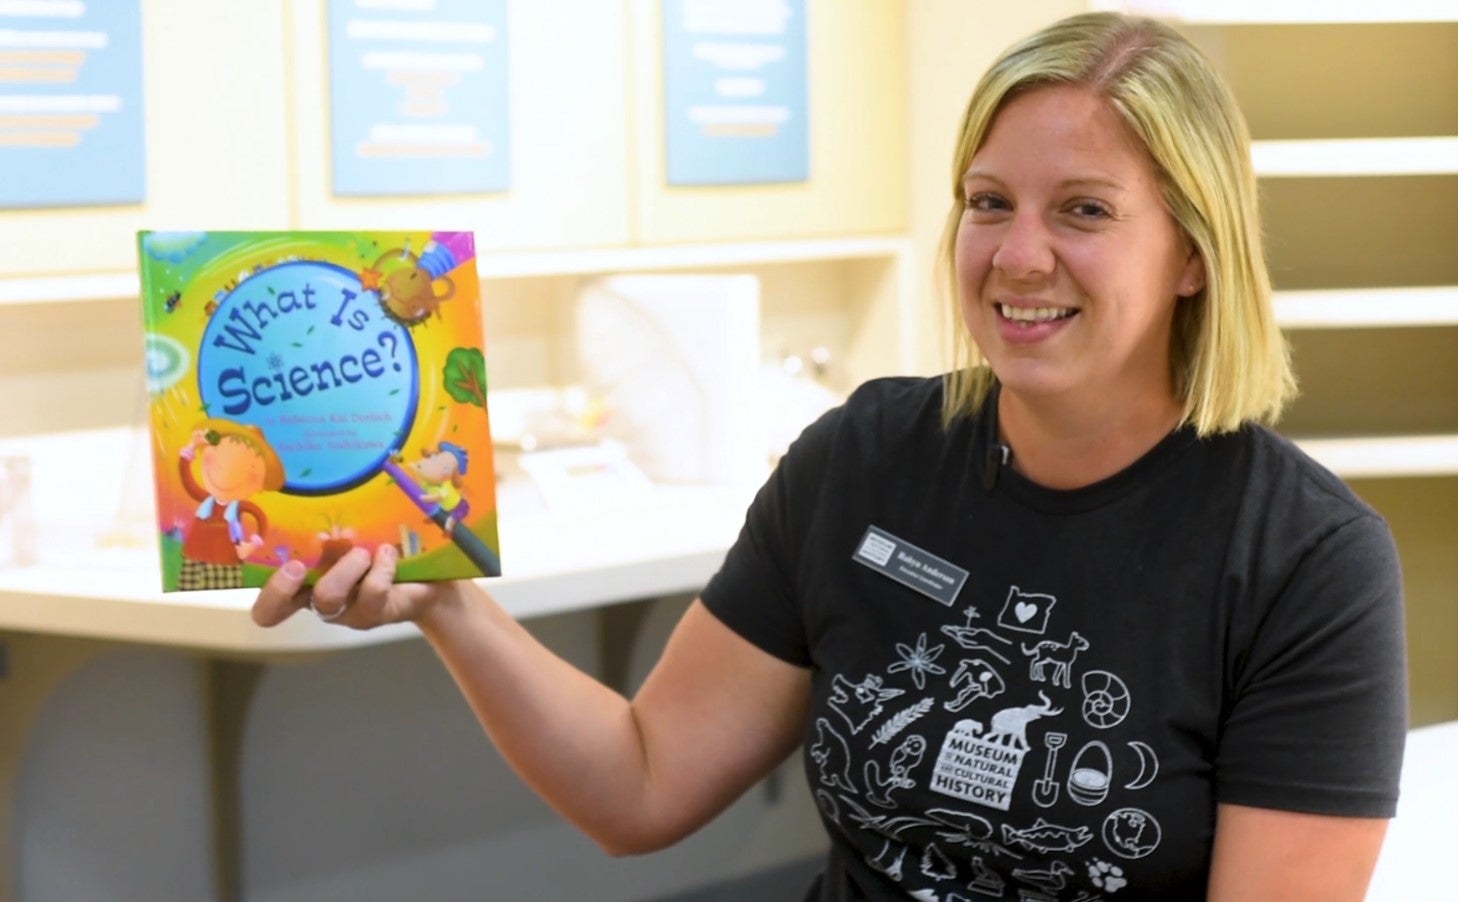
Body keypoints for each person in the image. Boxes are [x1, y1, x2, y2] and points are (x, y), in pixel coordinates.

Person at [251, 12, 1407, 900]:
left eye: (1087, 211)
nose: (1018, 254)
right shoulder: (865, 459)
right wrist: (448, 603)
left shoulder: (1304, 560)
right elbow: (640, 781)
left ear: (1195, 254)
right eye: (988, 201)